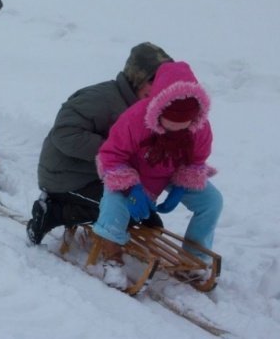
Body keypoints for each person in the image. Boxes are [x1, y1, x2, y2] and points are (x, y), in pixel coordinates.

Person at [93, 60, 223, 290]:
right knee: (113, 206)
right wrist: (130, 187)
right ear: (158, 109)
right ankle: (112, 259)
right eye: (170, 125)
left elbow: (196, 160)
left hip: (171, 172)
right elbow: (111, 156)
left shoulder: (201, 127)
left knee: (211, 201)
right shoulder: (135, 119)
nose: (176, 131)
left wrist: (182, 185)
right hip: (133, 172)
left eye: (182, 127)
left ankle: (193, 258)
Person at [27, 42, 174, 245]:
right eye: (152, 80)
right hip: (66, 177)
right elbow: (64, 133)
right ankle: (52, 212)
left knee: (145, 215)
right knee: (122, 212)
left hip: (100, 176)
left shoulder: (145, 107)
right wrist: (116, 150)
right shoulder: (101, 99)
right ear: (137, 78)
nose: (159, 88)